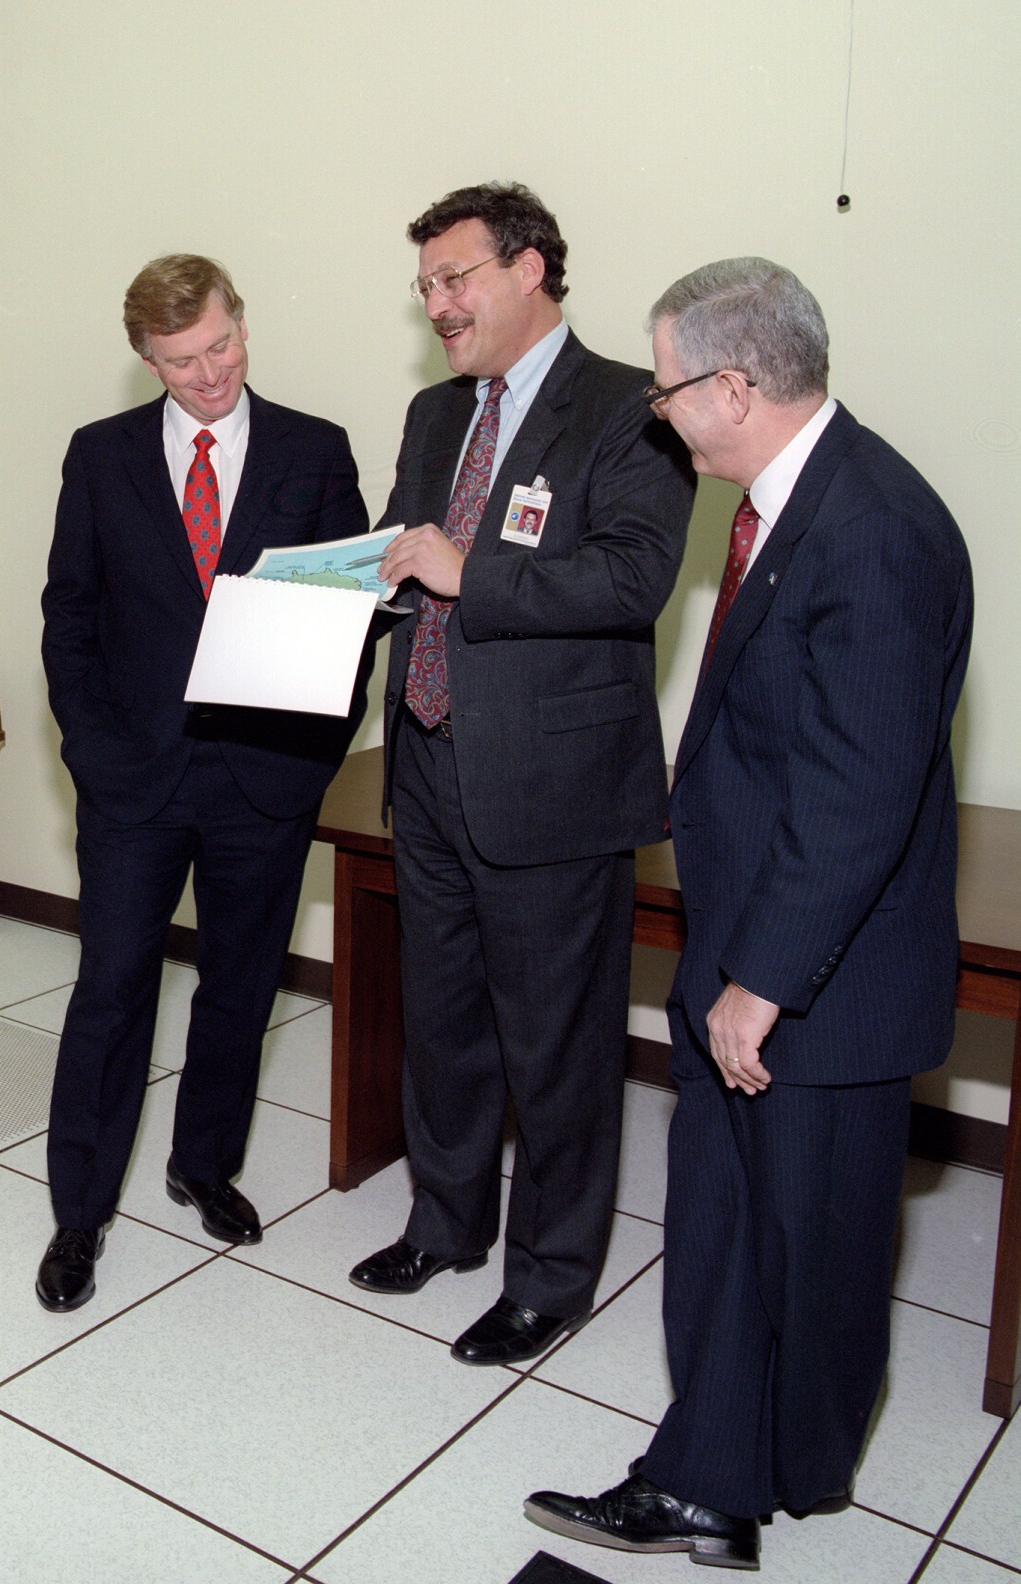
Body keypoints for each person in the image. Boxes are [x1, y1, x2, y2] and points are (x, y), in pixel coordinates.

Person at [525, 259, 973, 1570]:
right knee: (727, 1222)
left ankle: (777, 1476)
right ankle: (710, 1475)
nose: (658, 415)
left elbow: (856, 793)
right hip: (752, 941)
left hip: (815, 983)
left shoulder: (873, 528)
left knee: (813, 1243)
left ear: (733, 385)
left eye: (667, 390)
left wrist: (761, 980)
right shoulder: (794, 499)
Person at [354, 183, 695, 1365]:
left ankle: (550, 1276)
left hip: (552, 786)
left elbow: (633, 579)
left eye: (455, 280)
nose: (437, 306)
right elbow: (409, 554)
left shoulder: (627, 409)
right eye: (426, 288)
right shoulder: (430, 414)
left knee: (554, 1040)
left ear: (530, 268)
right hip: (431, 757)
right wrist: (341, 584)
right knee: (439, 1021)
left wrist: (465, 573)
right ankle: (444, 1224)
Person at [37, 255, 369, 1311]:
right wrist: (89, 749)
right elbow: (69, 617)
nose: (208, 373)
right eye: (180, 361)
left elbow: (350, 618)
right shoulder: (100, 457)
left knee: (238, 985)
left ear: (240, 323)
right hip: (131, 780)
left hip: (263, 781)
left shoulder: (314, 451)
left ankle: (203, 1164)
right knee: (110, 990)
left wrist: (316, 754)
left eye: (220, 346)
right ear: (145, 358)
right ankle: (79, 1214)